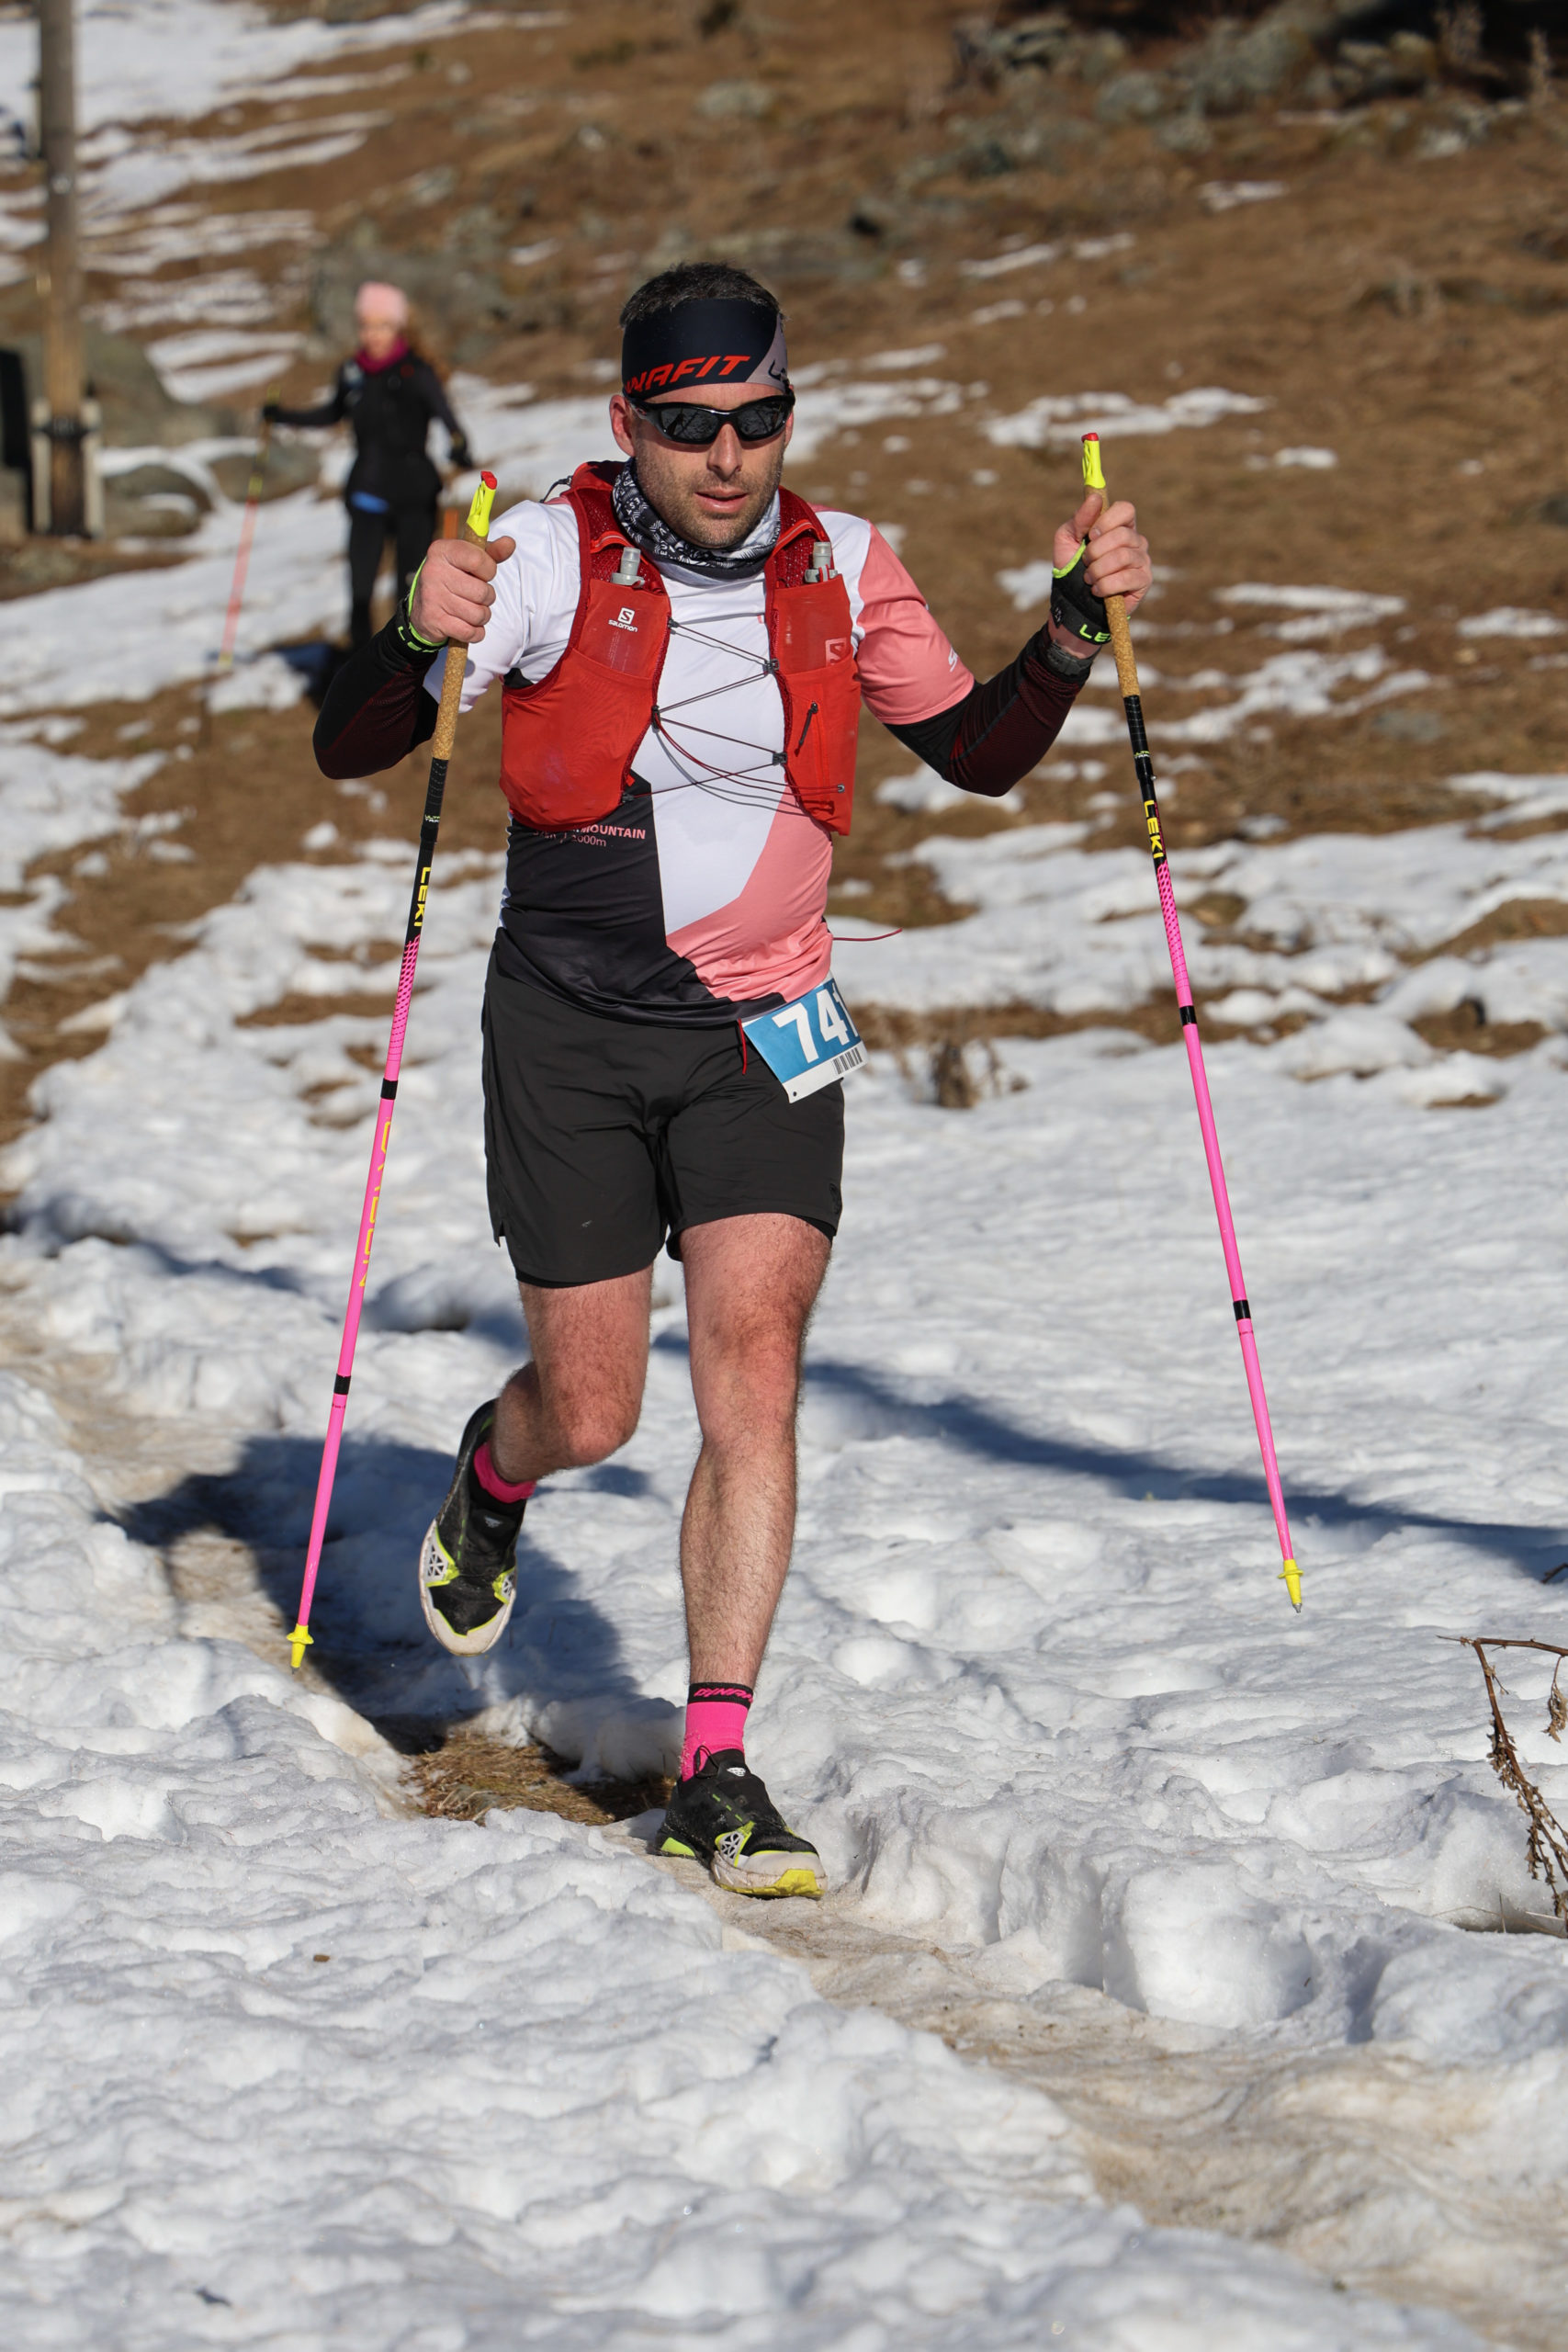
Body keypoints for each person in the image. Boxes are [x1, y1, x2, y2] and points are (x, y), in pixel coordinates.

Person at [312, 261, 1152, 1899]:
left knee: (751, 1373)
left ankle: (716, 1764)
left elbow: (978, 753)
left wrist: (1067, 628)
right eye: (688, 424)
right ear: (626, 421)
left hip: (767, 1028)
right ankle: (496, 1469)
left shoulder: (846, 565)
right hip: (569, 1030)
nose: (726, 454)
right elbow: (353, 744)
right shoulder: (548, 554)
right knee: (595, 1409)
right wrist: (414, 626)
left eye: (757, 418)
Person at [266, 281, 473, 649]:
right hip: (367, 492)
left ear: (398, 327)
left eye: (382, 325)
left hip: (414, 496)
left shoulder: (417, 372)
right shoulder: (351, 372)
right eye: (365, 325)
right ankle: (357, 665)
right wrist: (283, 416)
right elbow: (332, 412)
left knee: (409, 593)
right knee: (360, 592)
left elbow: (449, 421)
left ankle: (404, 669)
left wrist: (459, 448)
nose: (372, 334)